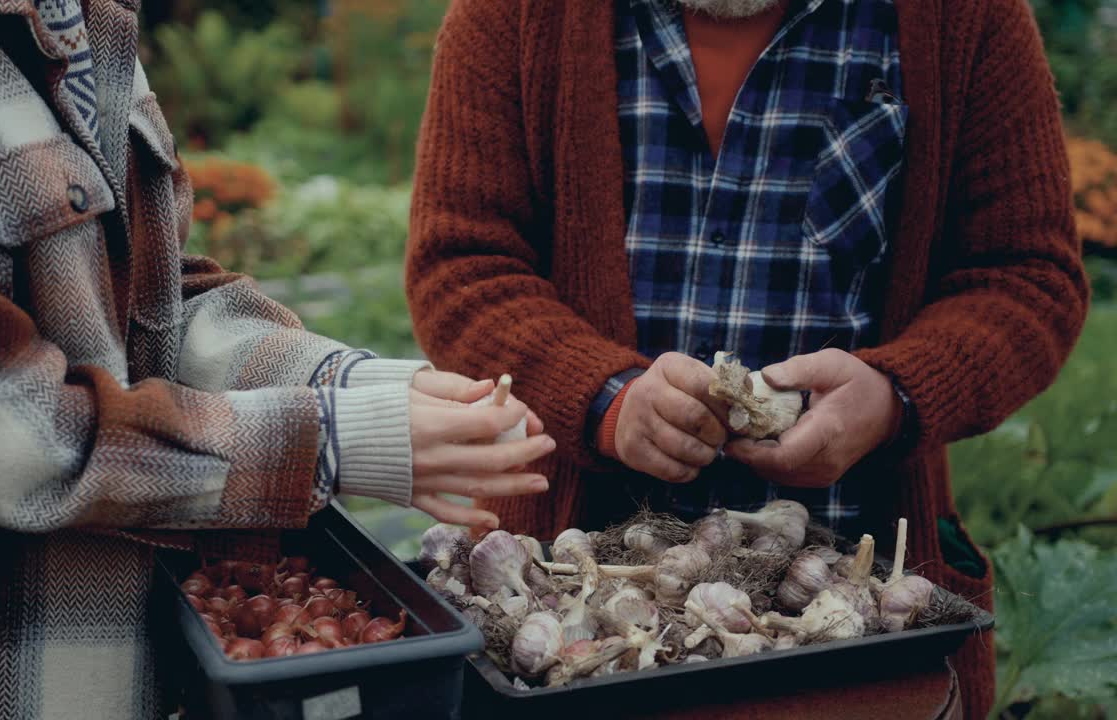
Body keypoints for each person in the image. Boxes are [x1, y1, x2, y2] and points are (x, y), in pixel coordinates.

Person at [0, 1, 554, 717]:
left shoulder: (89, 21)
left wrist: (351, 385)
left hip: (134, 661)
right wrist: (324, 441)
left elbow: (161, 304)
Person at [404, 0, 1089, 716]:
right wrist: (607, 399)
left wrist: (894, 396)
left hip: (854, 623)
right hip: (569, 599)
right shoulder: (511, 16)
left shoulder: (963, 19)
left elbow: (1025, 278)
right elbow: (463, 269)